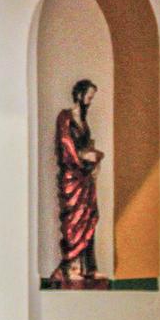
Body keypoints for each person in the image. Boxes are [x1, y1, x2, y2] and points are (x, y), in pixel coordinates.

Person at [47, 79, 105, 285]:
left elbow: (86, 144)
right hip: (72, 177)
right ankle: (71, 266)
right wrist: (82, 157)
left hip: (85, 178)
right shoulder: (65, 117)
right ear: (79, 95)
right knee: (74, 220)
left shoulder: (83, 121)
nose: (90, 101)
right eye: (89, 96)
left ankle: (89, 268)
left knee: (88, 217)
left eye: (92, 98)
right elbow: (66, 146)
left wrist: (94, 158)